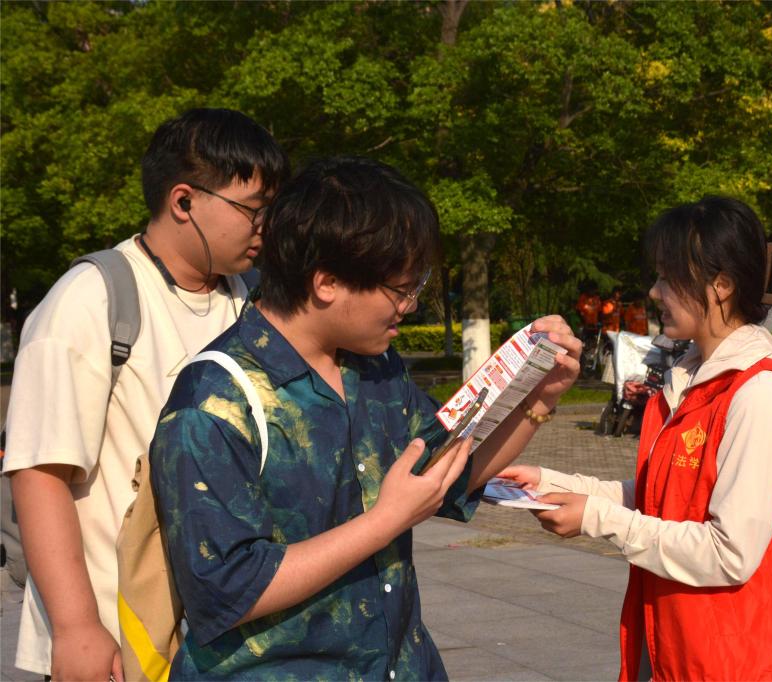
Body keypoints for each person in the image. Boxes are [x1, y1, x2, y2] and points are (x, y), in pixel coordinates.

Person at [148, 156, 581, 679]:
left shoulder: (374, 367)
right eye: (400, 290)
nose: (410, 306)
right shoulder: (215, 403)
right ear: (327, 282)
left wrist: (539, 400)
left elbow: (449, 472)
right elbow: (227, 587)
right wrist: (385, 522)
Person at [3, 108, 289, 681]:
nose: (265, 227)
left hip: (229, 636)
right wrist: (77, 628)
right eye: (252, 210)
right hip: (120, 639)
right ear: (184, 201)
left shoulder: (254, 302)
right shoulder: (90, 301)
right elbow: (39, 474)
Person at [501, 196, 772, 681]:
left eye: (668, 277)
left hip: (743, 662)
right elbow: (666, 497)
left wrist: (597, 519)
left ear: (721, 285)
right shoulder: (691, 380)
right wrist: (554, 484)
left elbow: (729, 553)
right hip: (681, 650)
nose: (654, 292)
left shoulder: (758, 393)